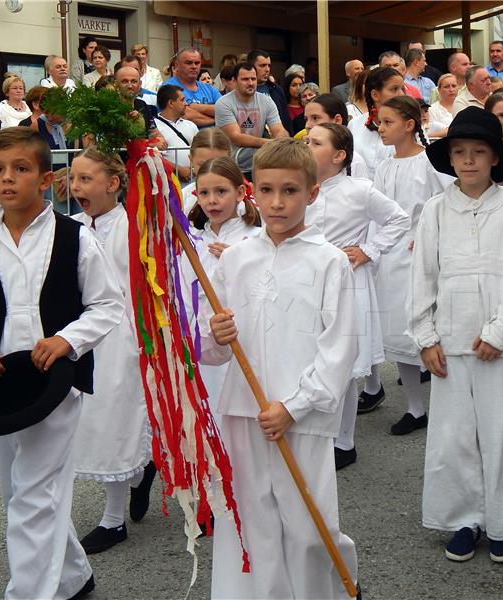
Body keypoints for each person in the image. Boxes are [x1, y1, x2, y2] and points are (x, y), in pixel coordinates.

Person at [203, 138, 359, 599]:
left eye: (290, 191)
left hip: (302, 416)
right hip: (243, 409)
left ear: (312, 193)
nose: (277, 202)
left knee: (309, 523)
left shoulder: (330, 262)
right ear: (252, 191)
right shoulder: (235, 259)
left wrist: (295, 405)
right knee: (253, 522)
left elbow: (340, 348)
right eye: (267, 190)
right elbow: (209, 348)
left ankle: (326, 587)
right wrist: (216, 333)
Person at [0, 127, 123, 599]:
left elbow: (108, 305)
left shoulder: (75, 238)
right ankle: (73, 576)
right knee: (17, 492)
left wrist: (67, 340)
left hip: (54, 384)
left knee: (34, 495)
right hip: (0, 386)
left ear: (45, 179)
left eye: (21, 170)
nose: (8, 180)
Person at [410, 107, 503, 564]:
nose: (468, 161)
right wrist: (425, 336)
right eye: (460, 153)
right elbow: (423, 274)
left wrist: (502, 331)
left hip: (497, 346)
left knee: (502, 434)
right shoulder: (436, 209)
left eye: (478, 152)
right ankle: (465, 517)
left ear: (494, 158)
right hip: (449, 340)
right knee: (454, 435)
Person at [62, 148, 153, 554]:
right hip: (83, 336)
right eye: (74, 178)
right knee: (91, 422)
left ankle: (113, 519)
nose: (76, 186)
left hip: (123, 336)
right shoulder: (71, 227)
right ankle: (142, 471)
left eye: (85, 179)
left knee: (117, 419)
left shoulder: (135, 226)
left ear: (113, 184)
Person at [306, 123, 409, 468]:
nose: (307, 145)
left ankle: (345, 441)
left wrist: (368, 249)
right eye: (306, 140)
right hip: (308, 281)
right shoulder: (301, 188)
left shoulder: (360, 190)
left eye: (315, 142)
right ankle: (315, 431)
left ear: (338, 156)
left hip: (346, 281)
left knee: (346, 363)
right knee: (312, 355)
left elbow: (399, 219)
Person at [373, 97, 451, 435]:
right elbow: (376, 211)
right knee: (400, 334)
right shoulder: (384, 165)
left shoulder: (429, 162)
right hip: (389, 257)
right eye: (379, 121)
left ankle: (450, 408)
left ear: (409, 124)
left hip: (421, 253)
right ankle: (415, 408)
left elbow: (447, 200)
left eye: (388, 121)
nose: (381, 127)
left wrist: (428, 234)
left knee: (430, 332)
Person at [182, 157, 261, 414]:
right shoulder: (192, 240)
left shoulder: (256, 236)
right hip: (203, 338)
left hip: (244, 334)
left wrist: (239, 259)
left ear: (240, 192)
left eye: (221, 191)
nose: (212, 200)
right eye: (204, 193)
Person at [215, 61, 289, 177]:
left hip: (257, 165)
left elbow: (279, 129)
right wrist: (268, 143)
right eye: (245, 79)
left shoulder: (266, 101)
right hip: (230, 167)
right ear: (234, 81)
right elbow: (236, 137)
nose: (250, 83)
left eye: (253, 79)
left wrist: (281, 141)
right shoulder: (223, 103)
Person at [347, 67, 402, 180]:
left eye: (402, 89)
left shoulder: (409, 127)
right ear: (375, 95)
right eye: (394, 89)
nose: (401, 94)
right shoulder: (355, 125)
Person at [162, 48, 222, 128]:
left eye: (197, 63)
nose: (194, 66)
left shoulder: (209, 89)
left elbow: (225, 110)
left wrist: (197, 107)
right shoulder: (168, 88)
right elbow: (187, 116)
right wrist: (216, 119)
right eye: (188, 63)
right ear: (177, 65)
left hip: (215, 137)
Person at [181, 128, 233, 214]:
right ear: (191, 160)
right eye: (203, 165)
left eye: (218, 165)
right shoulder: (183, 197)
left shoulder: (241, 196)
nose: (210, 171)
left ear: (230, 160)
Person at [155, 84, 199, 181]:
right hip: (168, 184)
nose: (186, 103)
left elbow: (201, 149)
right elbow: (153, 156)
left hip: (193, 182)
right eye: (182, 100)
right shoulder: (154, 127)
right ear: (171, 103)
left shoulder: (191, 125)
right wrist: (178, 169)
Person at [248, 48, 293, 135]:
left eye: (269, 65)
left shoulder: (276, 90)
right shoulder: (244, 92)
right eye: (262, 66)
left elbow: (286, 119)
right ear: (251, 67)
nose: (267, 69)